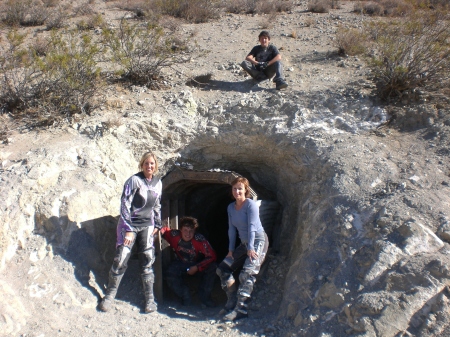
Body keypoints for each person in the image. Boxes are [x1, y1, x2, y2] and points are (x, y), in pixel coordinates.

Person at [98, 152, 162, 313]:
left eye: (152, 163)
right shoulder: (134, 181)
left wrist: (158, 224)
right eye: (146, 163)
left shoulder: (158, 183)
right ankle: (109, 296)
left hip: (147, 225)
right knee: (121, 259)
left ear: (156, 166)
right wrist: (128, 229)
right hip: (130, 225)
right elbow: (125, 204)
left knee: (147, 260)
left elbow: (157, 205)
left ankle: (150, 300)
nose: (149, 166)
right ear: (142, 164)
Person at [216, 177, 269, 321]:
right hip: (245, 243)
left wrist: (251, 248)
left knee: (246, 273)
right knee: (223, 269)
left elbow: (252, 227)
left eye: (240, 188)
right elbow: (232, 229)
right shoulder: (231, 207)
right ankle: (232, 300)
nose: (237, 191)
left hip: (257, 241)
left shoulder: (250, 205)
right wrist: (231, 250)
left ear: (246, 190)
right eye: (234, 188)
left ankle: (241, 310)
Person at [161, 216, 217, 307]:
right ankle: (185, 295)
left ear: (195, 231)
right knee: (169, 272)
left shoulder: (200, 239)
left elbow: (212, 256)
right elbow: (162, 230)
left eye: (191, 230)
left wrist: (197, 267)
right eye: (185, 230)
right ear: (180, 230)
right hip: (181, 263)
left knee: (213, 267)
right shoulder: (174, 235)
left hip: (197, 263)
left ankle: (205, 297)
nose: (188, 233)